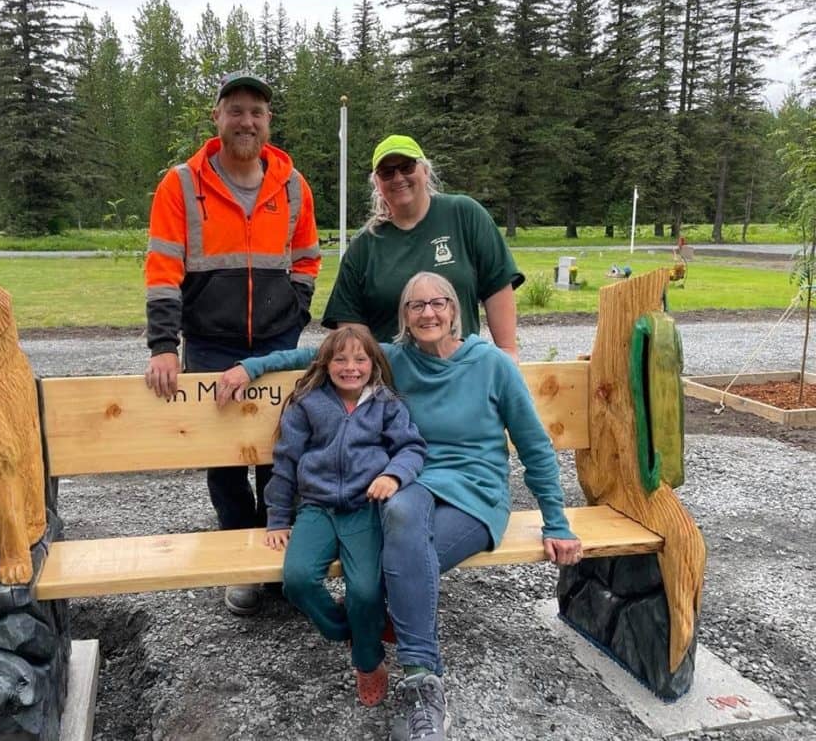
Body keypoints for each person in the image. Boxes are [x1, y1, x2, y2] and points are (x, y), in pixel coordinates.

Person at [217, 272, 583, 740]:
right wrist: (252, 366)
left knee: (401, 561)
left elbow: (534, 445)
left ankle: (418, 680)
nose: (428, 313)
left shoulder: (492, 365)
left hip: (476, 491)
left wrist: (556, 520)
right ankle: (415, 672)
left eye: (438, 303)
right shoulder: (393, 359)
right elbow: (316, 354)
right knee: (402, 519)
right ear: (404, 318)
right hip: (410, 482)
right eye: (416, 306)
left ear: (454, 309)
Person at [144, 69, 322, 616]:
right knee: (222, 462)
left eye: (257, 112)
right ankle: (244, 563)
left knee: (281, 457)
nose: (247, 120)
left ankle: (279, 566)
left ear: (268, 121)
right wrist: (163, 346)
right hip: (211, 346)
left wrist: (291, 322)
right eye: (236, 109)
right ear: (216, 116)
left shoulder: (293, 186)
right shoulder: (181, 184)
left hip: (275, 343)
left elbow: (308, 259)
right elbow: (162, 267)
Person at [265, 325, 426, 707]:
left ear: (373, 363)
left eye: (359, 359)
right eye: (340, 359)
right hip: (316, 509)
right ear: (326, 363)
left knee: (366, 592)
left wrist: (393, 475)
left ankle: (368, 662)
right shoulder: (307, 402)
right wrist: (277, 518)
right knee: (298, 580)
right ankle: (350, 628)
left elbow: (412, 448)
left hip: (364, 509)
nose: (350, 367)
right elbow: (286, 461)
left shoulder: (386, 403)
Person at [322, 134, 523, 361]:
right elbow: (350, 322)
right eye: (387, 172)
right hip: (393, 382)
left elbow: (497, 283)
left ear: (425, 171)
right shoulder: (364, 244)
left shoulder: (464, 214)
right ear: (377, 183)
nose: (398, 177)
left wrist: (507, 350)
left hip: (458, 372)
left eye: (407, 167)